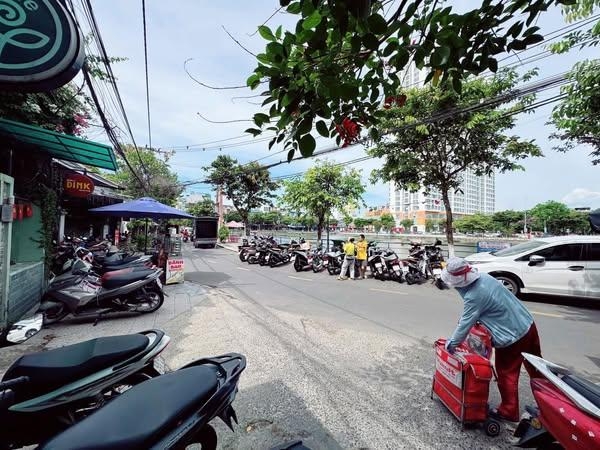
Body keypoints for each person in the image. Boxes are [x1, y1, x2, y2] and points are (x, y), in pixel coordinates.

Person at [441, 257, 542, 423]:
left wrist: (452, 344)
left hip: (512, 338)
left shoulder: (474, 296)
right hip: (527, 325)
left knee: (506, 374)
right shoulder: (485, 277)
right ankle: (547, 402)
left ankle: (509, 410)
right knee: (536, 367)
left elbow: (465, 323)